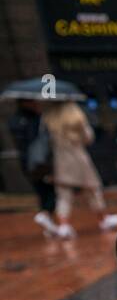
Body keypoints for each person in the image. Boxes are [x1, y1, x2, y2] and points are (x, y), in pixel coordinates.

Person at [41, 101, 117, 238]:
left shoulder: (48, 120)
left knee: (63, 196)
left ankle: (64, 226)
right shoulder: (76, 119)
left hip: (60, 162)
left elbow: (45, 141)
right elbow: (88, 138)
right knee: (93, 190)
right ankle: (103, 219)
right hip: (79, 159)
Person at [8, 99, 58, 236]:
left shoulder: (14, 120)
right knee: (50, 191)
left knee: (41, 191)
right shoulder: (34, 119)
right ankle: (45, 214)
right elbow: (39, 138)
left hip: (27, 163)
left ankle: (48, 226)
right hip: (40, 162)